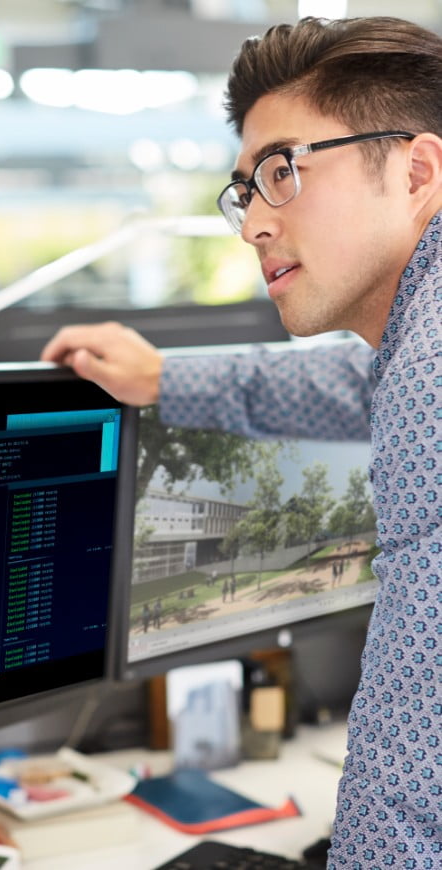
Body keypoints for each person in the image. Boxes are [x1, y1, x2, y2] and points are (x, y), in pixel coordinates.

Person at [42, 16, 441, 868]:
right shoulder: (412, 348)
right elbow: (341, 386)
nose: (253, 222)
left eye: (283, 171)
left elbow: (413, 778)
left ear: (417, 172)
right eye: (247, 189)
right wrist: (161, 381)